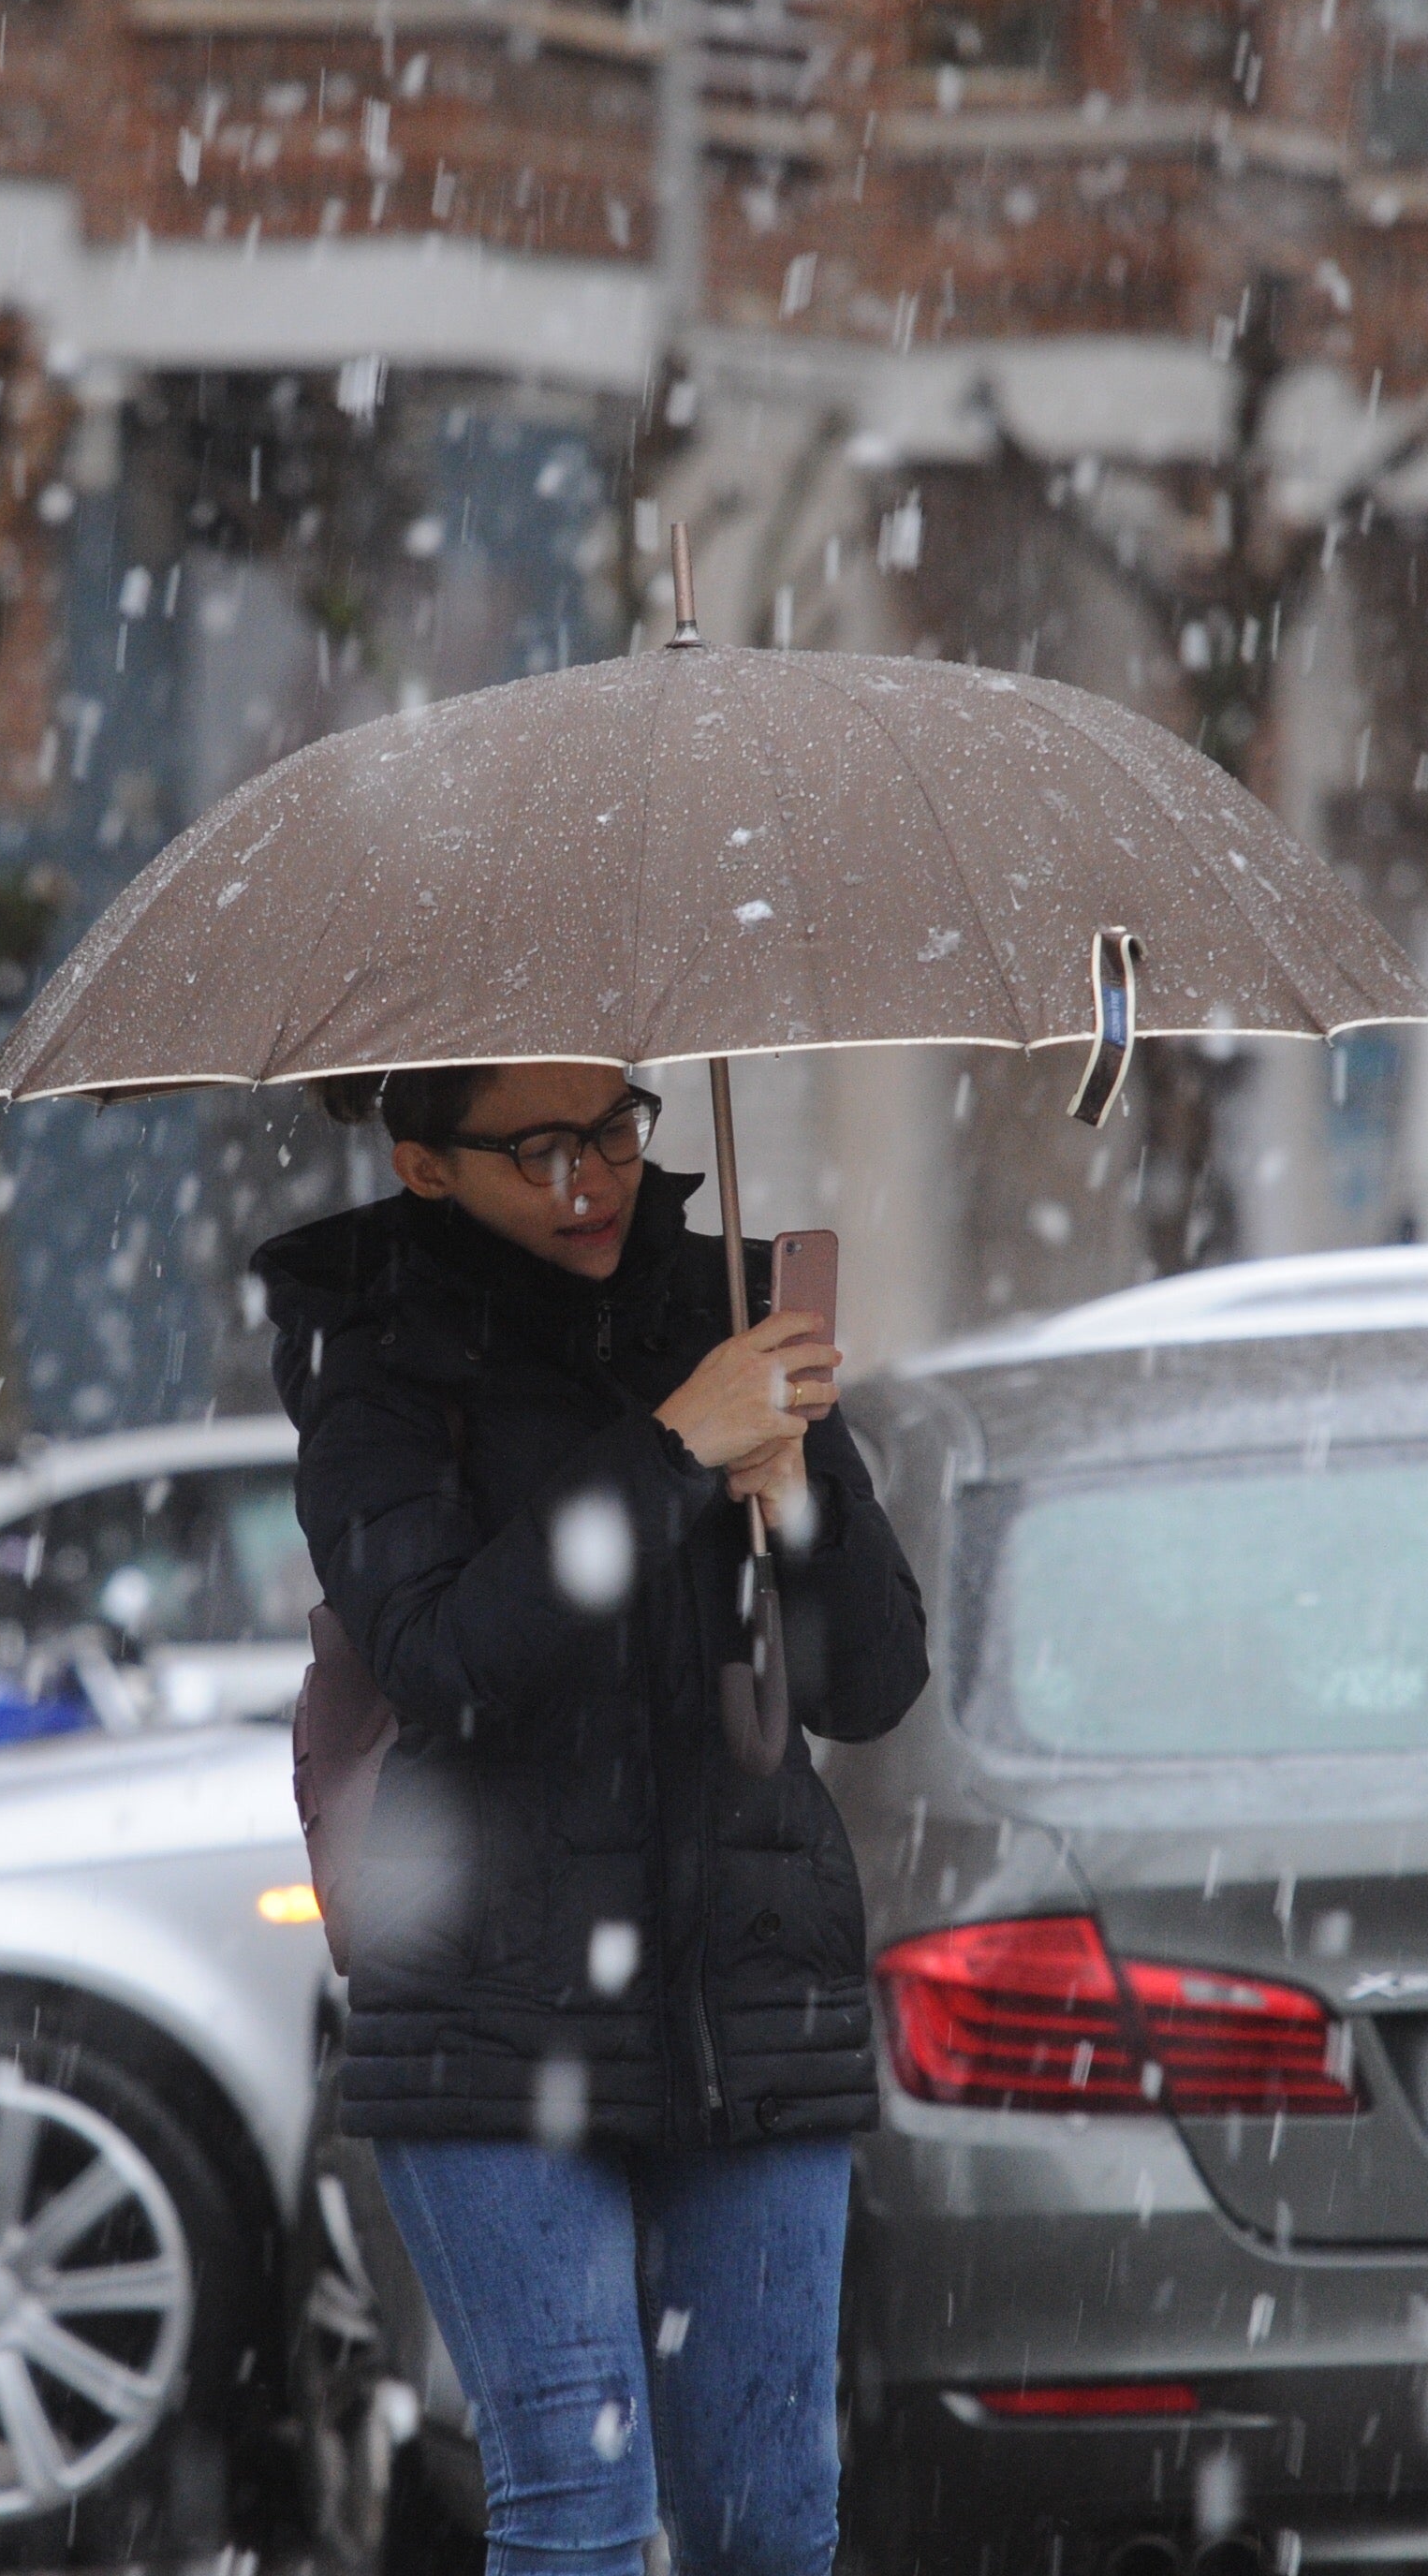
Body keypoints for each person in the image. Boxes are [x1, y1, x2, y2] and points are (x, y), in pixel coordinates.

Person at [254, 1059, 930, 2576]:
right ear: (426, 1166)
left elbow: (871, 1681)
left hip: (748, 1982)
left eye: (616, 1129)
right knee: (578, 2507)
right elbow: (448, 1662)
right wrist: (671, 1449)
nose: (595, 1180)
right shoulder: (377, 1362)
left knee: (770, 2524)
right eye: (538, 1149)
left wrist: (795, 1480)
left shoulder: (732, 1315)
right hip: (488, 2005)